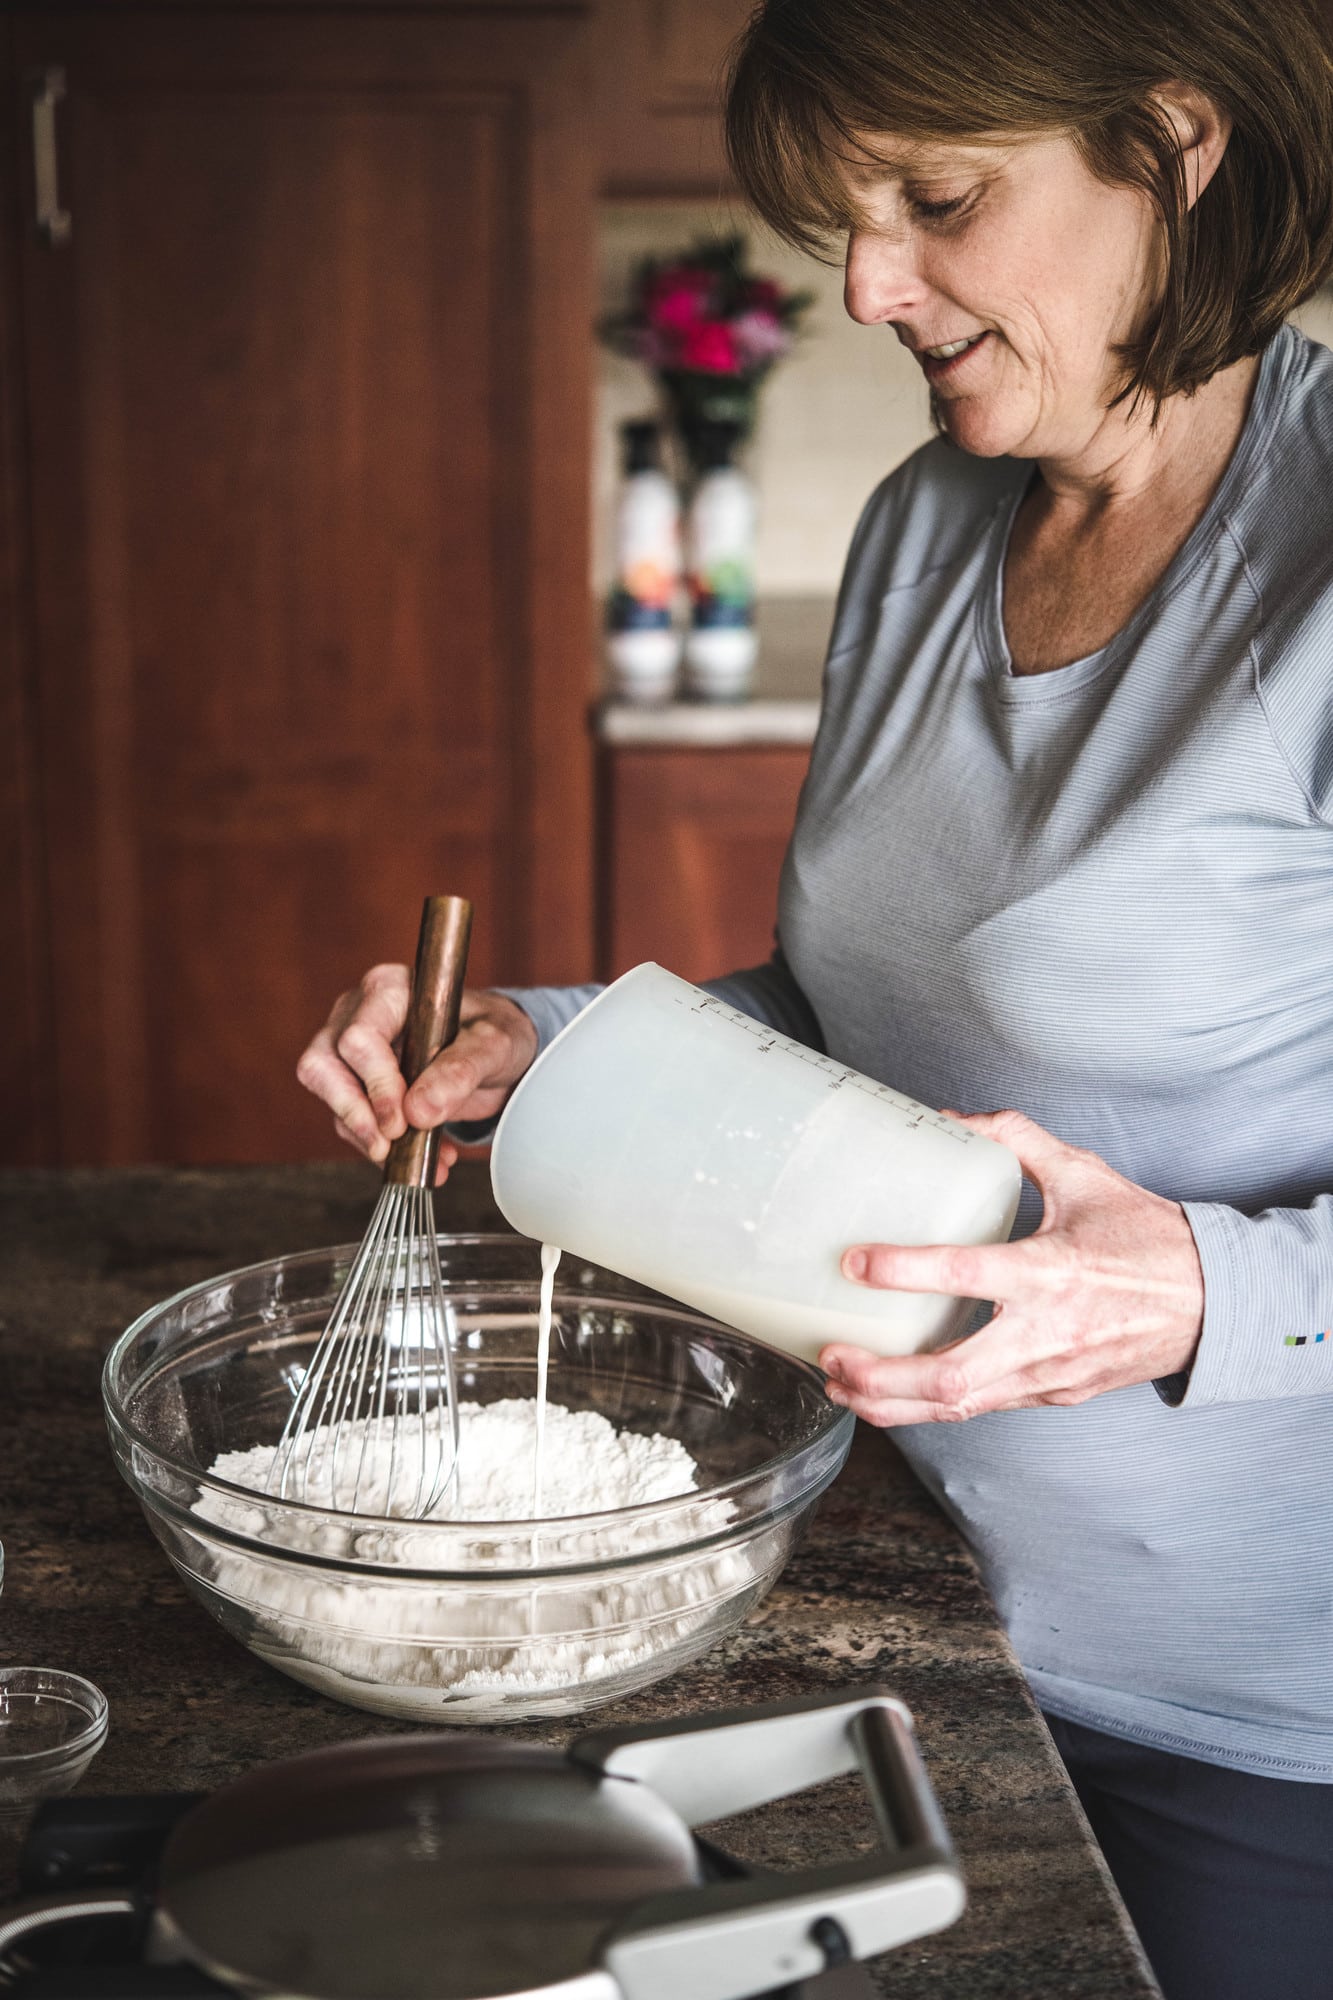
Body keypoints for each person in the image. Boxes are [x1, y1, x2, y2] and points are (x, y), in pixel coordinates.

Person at [297, 2, 1333, 1992]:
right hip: (868, 1600)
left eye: (933, 201)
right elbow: (880, 1020)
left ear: (1174, 149)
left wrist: (1188, 1284)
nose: (861, 284)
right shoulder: (926, 529)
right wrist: (547, 1041)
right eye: (842, 220)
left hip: (1244, 1725)